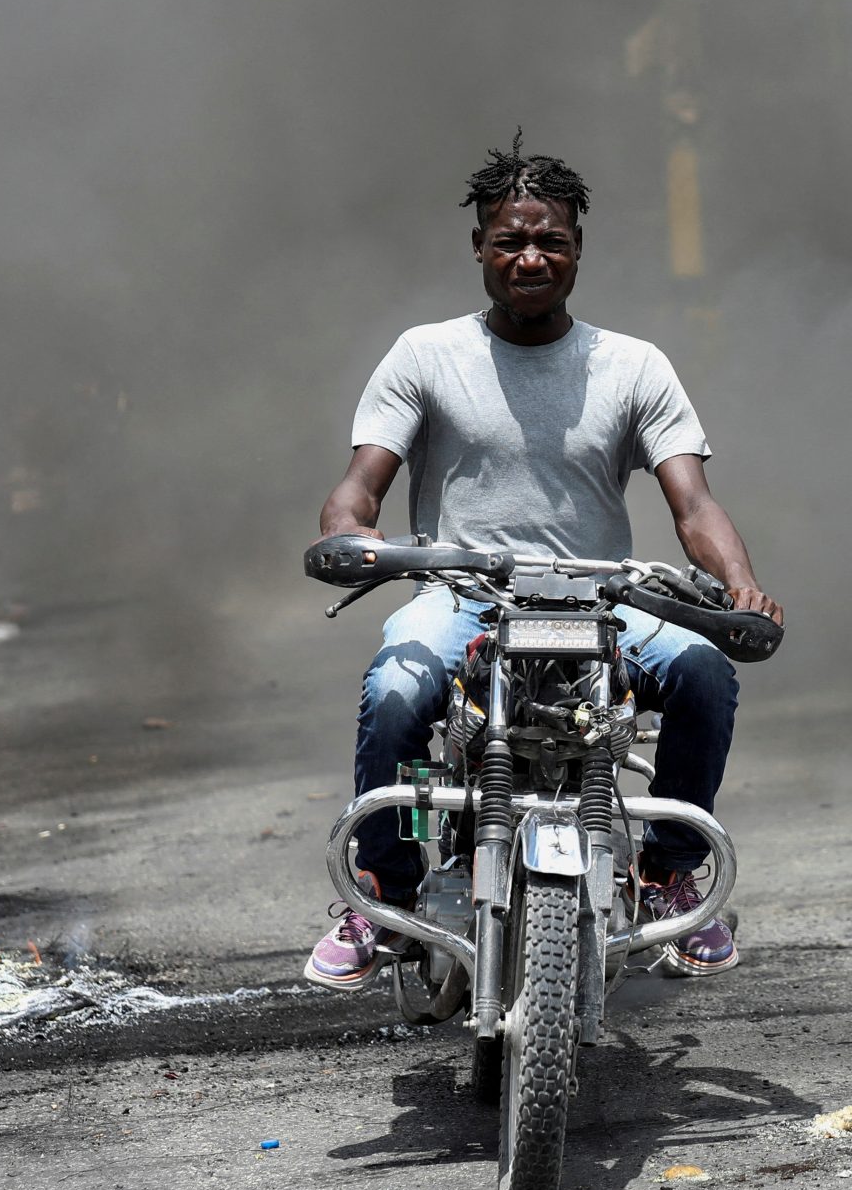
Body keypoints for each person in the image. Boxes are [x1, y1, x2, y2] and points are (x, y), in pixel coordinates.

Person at [305, 135, 783, 989]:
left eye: (550, 241)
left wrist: (740, 588)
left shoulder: (634, 366)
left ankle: (671, 872)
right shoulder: (424, 356)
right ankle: (382, 892)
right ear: (481, 248)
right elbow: (357, 489)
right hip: (461, 598)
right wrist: (352, 538)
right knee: (396, 690)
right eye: (511, 240)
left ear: (577, 250)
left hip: (602, 599)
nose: (531, 256)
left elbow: (694, 504)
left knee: (705, 670)